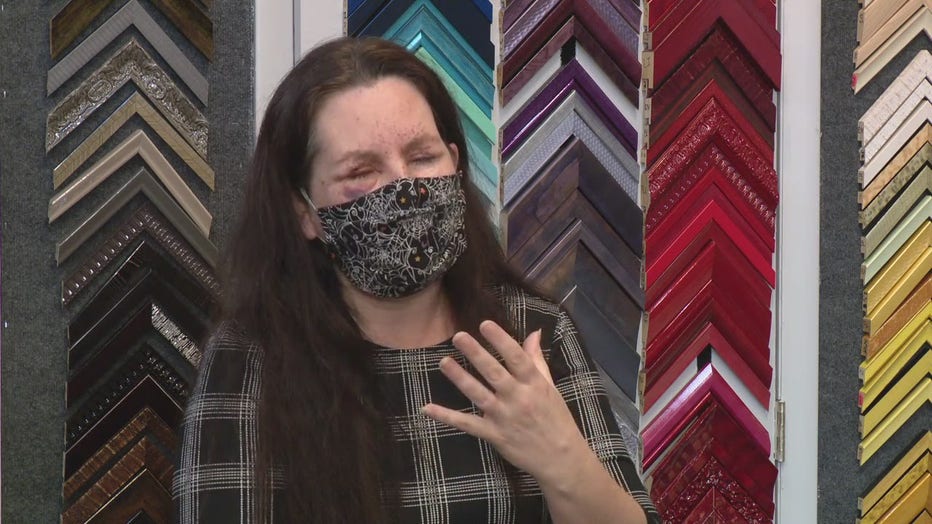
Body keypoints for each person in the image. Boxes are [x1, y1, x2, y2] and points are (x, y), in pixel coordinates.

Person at [172, 36, 659, 524]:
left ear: (456, 162)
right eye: (361, 170)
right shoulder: (252, 358)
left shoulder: (533, 334)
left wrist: (562, 460)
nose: (403, 188)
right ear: (306, 213)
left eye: (423, 157)